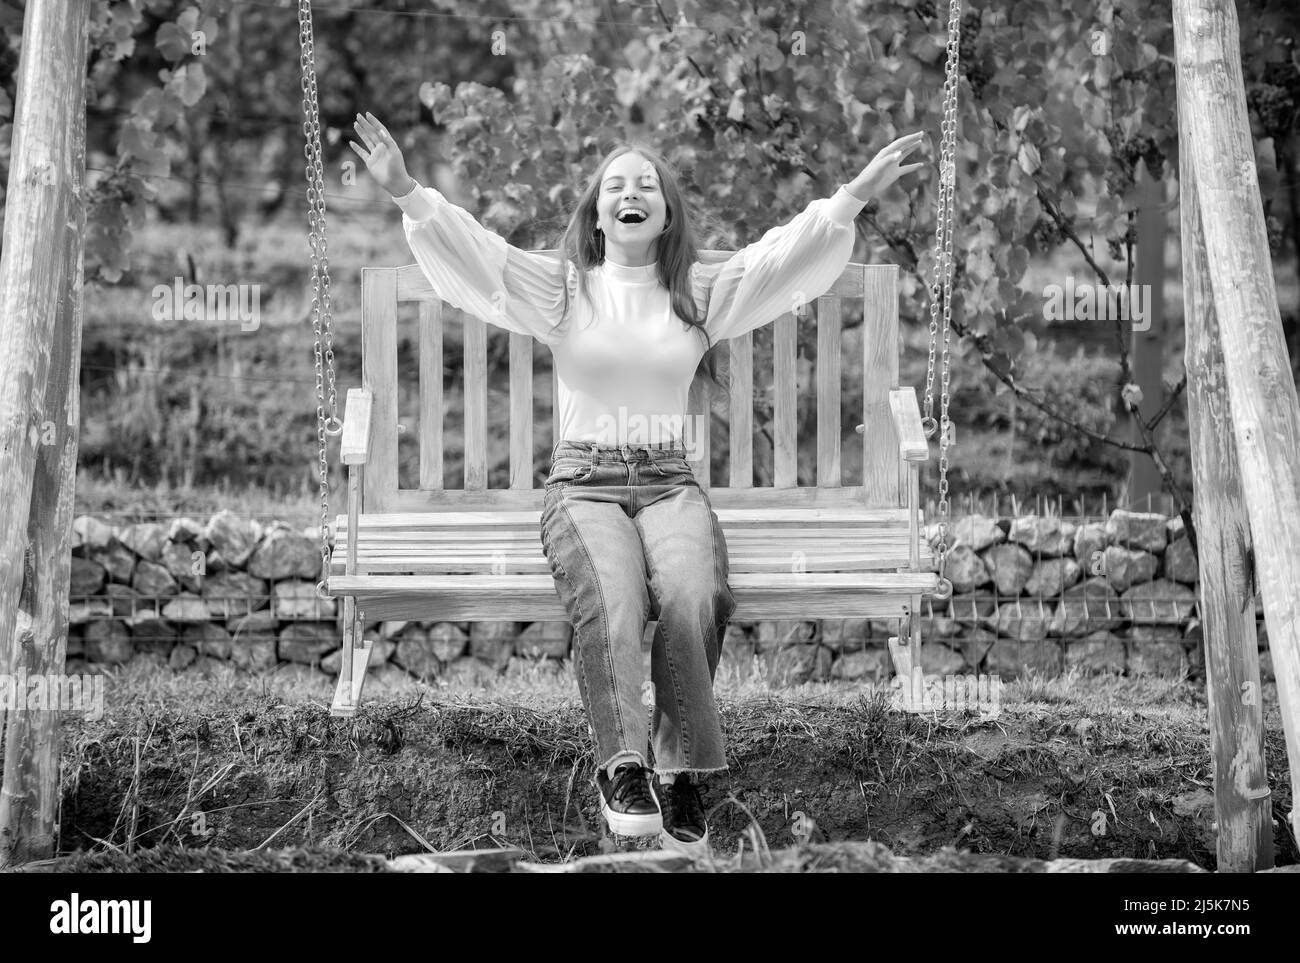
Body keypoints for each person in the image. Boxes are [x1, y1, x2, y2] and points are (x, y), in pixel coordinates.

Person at [350, 112, 925, 853]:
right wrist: (406, 192)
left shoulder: (698, 292)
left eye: (646, 184)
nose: (631, 191)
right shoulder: (564, 289)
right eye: (615, 184)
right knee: (615, 599)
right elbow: (482, 255)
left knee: (693, 591)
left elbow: (781, 256)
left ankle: (681, 769)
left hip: (668, 481)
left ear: (665, 213)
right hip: (584, 483)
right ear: (596, 212)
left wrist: (853, 194)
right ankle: (622, 768)